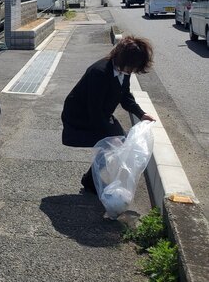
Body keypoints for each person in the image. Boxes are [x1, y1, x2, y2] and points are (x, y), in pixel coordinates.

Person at [61, 35, 156, 194]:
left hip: (98, 113)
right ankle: (91, 182)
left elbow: (125, 96)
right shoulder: (99, 73)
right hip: (79, 116)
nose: (131, 71)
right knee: (113, 141)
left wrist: (142, 114)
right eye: (131, 67)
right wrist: (110, 136)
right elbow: (94, 110)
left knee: (116, 140)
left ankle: (90, 181)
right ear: (122, 58)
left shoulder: (123, 70)